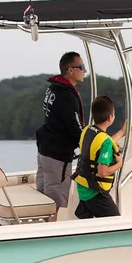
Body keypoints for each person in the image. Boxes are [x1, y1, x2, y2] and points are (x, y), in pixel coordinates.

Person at [35, 51, 86, 211]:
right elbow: (76, 129)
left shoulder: (53, 88)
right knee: (55, 202)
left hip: (45, 151)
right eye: (82, 67)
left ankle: (43, 230)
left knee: (44, 198)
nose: (85, 71)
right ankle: (52, 233)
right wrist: (92, 145)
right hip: (57, 156)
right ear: (71, 70)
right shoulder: (66, 96)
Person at [72, 95, 127, 219]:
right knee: (116, 224)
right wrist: (119, 164)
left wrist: (122, 132)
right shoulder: (105, 142)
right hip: (95, 192)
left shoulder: (87, 130)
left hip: (83, 188)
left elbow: (99, 144)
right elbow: (103, 172)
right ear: (110, 117)